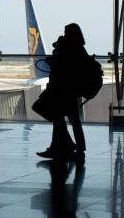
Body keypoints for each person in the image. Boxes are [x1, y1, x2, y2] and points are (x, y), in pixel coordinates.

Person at [37, 23, 88, 160]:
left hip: (62, 90)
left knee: (59, 119)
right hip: (71, 91)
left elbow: (63, 68)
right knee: (72, 121)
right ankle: (73, 147)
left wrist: (53, 62)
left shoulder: (69, 47)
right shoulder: (80, 48)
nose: (64, 34)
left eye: (66, 32)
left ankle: (63, 147)